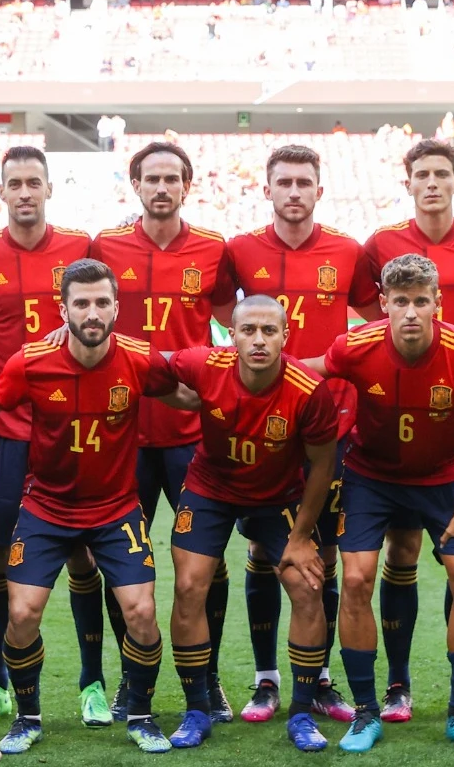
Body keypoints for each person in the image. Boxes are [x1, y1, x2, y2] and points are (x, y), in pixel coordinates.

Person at [0, 259, 192, 755]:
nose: (92, 313)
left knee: (141, 612)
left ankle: (140, 714)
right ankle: (28, 717)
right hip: (47, 510)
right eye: (82, 303)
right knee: (22, 613)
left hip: (116, 510)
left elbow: (187, 396)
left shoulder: (140, 358)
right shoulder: (31, 362)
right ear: (64, 310)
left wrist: (237, 405)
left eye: (102, 302)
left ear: (117, 306)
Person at [299, 254, 454, 753]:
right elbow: (307, 373)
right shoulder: (355, 346)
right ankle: (366, 712)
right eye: (400, 301)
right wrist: (250, 365)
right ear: (384, 305)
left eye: (420, 301)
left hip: (445, 477)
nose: (410, 311)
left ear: (438, 303)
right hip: (371, 477)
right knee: (354, 577)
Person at [222, 145, 380, 725]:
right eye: (283, 182)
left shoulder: (347, 251)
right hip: (261, 431)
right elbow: (221, 313)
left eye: (303, 182)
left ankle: (317, 679)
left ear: (319, 189)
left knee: (324, 554)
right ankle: (266, 679)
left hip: (328, 427)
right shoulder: (239, 251)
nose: (293, 191)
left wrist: (333, 366)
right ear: (267, 189)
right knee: (263, 549)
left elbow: (376, 317)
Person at [360, 139, 454, 724]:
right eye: (421, 174)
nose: (431, 183)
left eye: (441, 174)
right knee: (401, 550)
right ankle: (397, 684)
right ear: (409, 182)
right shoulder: (382, 244)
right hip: (403, 422)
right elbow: (372, 314)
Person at [0, 146, 106, 727]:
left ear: (49, 189)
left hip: (67, 427)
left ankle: (92, 681)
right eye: (14, 183)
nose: (24, 192)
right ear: (2, 192)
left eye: (33, 183)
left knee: (83, 552)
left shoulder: (79, 247)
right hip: (1, 429)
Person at [91, 141, 236, 720]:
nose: (162, 187)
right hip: (121, 434)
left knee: (206, 563)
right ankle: (133, 680)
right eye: (152, 178)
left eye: (172, 178)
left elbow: (236, 320)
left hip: (189, 434)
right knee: (120, 562)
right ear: (136, 185)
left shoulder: (213, 249)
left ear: (187, 186)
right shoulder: (105, 247)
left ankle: (209, 676)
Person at [162, 296, 341, 751]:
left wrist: (301, 538)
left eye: (269, 331)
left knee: (307, 586)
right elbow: (150, 360)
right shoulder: (207, 364)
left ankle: (301, 712)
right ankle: (197, 709)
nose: (258, 340)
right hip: (210, 488)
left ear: (286, 335)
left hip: (277, 495)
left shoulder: (308, 389)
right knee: (189, 587)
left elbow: (322, 467)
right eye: (248, 331)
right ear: (232, 335)